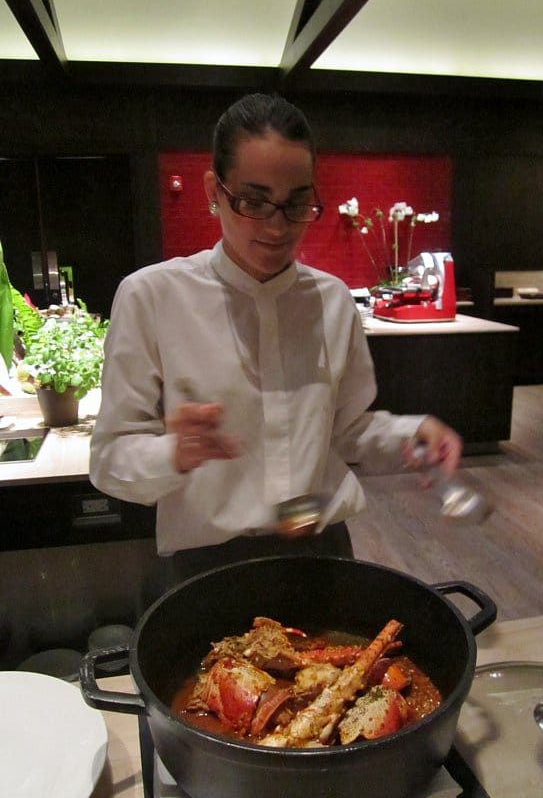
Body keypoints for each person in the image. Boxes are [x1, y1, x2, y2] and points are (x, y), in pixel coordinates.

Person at [90, 92, 462, 587]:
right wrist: (174, 452)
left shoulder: (331, 300)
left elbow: (347, 429)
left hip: (323, 554)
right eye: (253, 201)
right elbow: (110, 459)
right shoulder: (151, 296)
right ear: (214, 190)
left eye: (297, 203)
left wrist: (410, 434)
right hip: (209, 566)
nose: (277, 226)